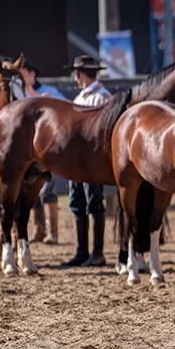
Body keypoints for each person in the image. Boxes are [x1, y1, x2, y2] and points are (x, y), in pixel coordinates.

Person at [62, 55, 111, 267]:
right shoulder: (87, 97)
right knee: (79, 204)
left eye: (76, 72)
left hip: (91, 163)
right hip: (80, 164)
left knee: (93, 203)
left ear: (80, 74)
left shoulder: (100, 98)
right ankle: (84, 251)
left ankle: (96, 252)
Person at [20, 57, 67, 246]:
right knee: (30, 189)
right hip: (26, 150)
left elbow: (65, 110)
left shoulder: (50, 93)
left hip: (46, 148)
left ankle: (52, 232)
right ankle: (38, 229)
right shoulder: (20, 93)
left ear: (32, 74)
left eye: (24, 73)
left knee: (48, 189)